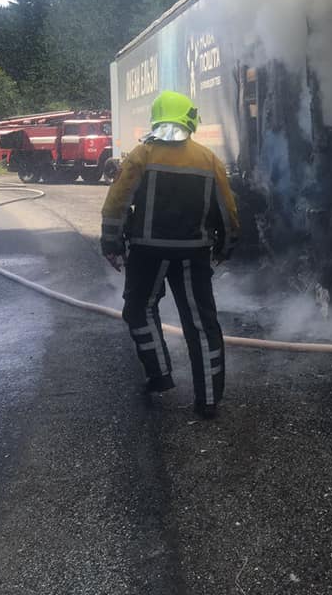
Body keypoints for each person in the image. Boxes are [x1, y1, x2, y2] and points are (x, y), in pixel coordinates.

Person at [101, 91, 241, 419]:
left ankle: (159, 374)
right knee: (202, 324)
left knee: (139, 310)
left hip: (147, 253)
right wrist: (227, 246)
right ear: (189, 119)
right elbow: (229, 210)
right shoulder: (209, 160)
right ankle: (208, 400)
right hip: (194, 255)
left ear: (157, 117)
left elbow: (116, 203)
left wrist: (111, 244)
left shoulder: (141, 155)